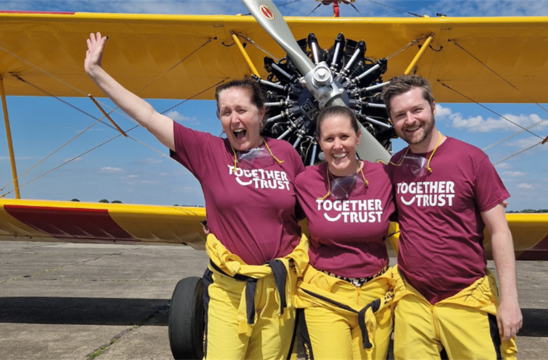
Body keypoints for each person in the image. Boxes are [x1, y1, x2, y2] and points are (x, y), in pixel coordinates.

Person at [84, 32, 308, 360]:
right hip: (230, 290)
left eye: (242, 110)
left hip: (278, 292)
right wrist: (97, 73)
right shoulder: (208, 150)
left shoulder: (287, 154)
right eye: (225, 112)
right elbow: (147, 115)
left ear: (261, 114)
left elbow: (305, 214)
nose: (234, 119)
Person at [381, 75, 522, 360]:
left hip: (466, 296)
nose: (410, 120)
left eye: (416, 109)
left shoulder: (472, 159)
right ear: (392, 121)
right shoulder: (395, 166)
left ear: (434, 107)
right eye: (400, 115)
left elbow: (499, 231)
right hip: (413, 299)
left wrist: (510, 301)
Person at [293, 106, 396, 360]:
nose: (337, 145)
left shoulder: (384, 176)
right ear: (319, 142)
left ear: (358, 137)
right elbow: (270, 212)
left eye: (344, 137)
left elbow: (423, 207)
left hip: (377, 296)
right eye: (329, 139)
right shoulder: (306, 181)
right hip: (326, 296)